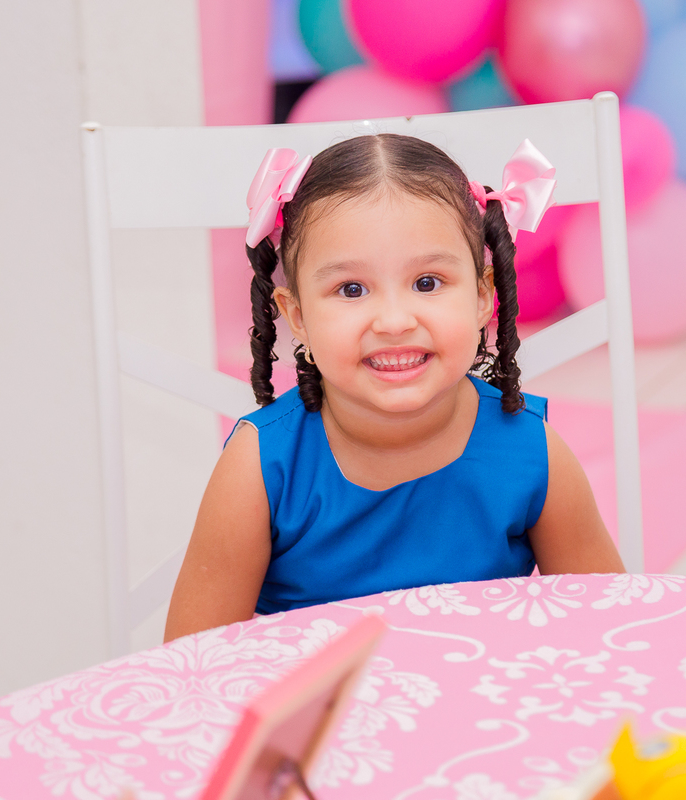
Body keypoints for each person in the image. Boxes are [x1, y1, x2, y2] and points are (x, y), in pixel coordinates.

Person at [164, 134, 622, 640]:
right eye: (351, 289)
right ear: (298, 318)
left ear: (482, 298)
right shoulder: (259, 469)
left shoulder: (533, 452)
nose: (394, 321)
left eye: (427, 282)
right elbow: (191, 663)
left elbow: (608, 630)